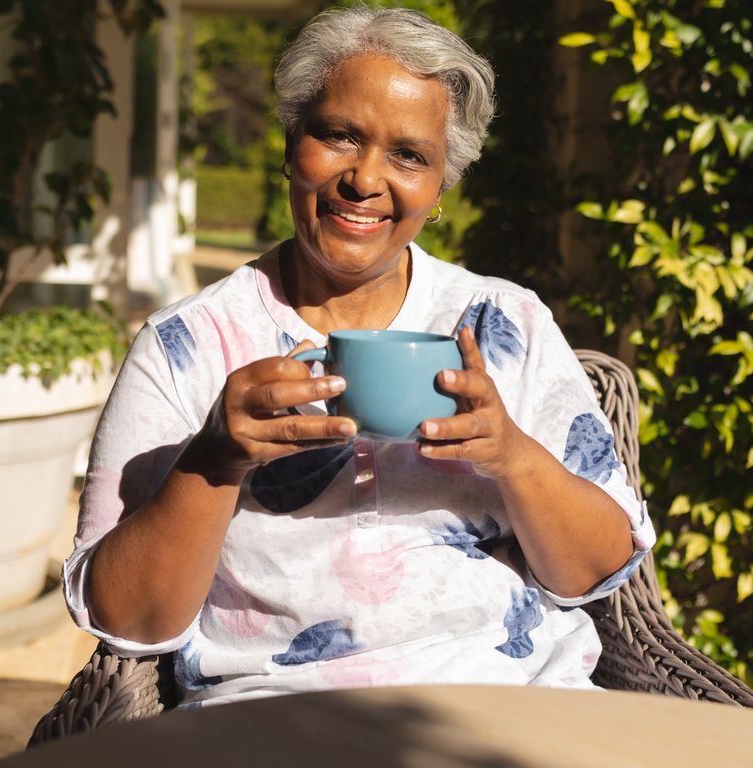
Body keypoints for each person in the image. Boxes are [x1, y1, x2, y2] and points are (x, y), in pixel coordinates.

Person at [63, 6, 656, 708]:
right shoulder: (185, 345)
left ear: (439, 188)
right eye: (340, 135)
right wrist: (215, 459)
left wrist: (511, 455)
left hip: (513, 704)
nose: (365, 179)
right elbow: (125, 621)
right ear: (291, 147)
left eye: (409, 156)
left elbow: (600, 570)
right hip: (277, 720)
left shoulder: (506, 323)